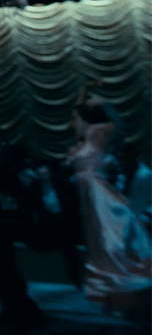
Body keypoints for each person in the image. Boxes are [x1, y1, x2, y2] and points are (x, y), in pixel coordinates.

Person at [67, 93, 151, 320]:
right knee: (104, 247)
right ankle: (121, 301)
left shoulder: (102, 132)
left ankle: (133, 300)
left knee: (114, 244)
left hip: (102, 197)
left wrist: (100, 101)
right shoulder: (88, 139)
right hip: (92, 198)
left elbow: (117, 124)